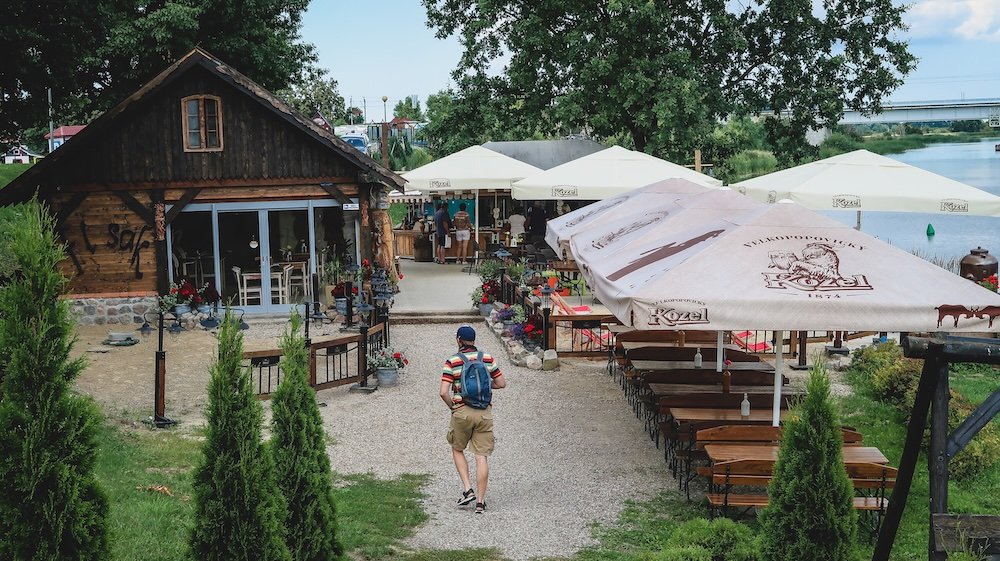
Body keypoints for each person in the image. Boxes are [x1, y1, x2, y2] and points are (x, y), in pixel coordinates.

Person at [440, 325, 507, 514]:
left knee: (457, 448)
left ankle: (467, 488)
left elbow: (443, 392)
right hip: (484, 412)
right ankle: (480, 502)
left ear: (459, 340)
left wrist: (454, 407)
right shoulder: (487, 358)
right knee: (481, 457)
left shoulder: (452, 361)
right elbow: (501, 383)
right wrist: (485, 386)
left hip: (462, 411)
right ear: (474, 340)